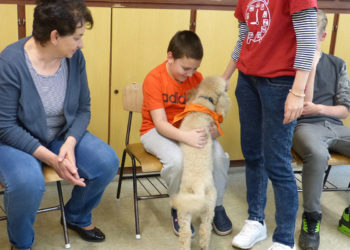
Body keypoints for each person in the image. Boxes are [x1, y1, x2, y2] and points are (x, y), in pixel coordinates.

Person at [0, 1, 119, 249]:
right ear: (55, 36)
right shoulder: (10, 62)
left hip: (61, 134)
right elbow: (6, 126)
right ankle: (20, 243)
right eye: (77, 37)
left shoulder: (74, 59)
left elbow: (84, 109)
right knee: (27, 183)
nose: (81, 44)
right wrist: (54, 159)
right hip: (16, 141)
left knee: (107, 161)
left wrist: (70, 143)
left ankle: (75, 216)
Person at [222, 1, 318, 249]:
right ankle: (256, 220)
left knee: (277, 162)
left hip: (279, 82)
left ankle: (284, 239)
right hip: (247, 80)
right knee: (253, 155)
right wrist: (225, 76)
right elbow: (244, 38)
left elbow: (308, 39)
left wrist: (297, 92)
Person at [140, 30, 232, 237]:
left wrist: (213, 130)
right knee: (177, 161)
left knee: (218, 157)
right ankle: (178, 205)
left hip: (189, 129)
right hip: (155, 131)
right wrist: (186, 138)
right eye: (185, 68)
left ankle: (216, 206)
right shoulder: (154, 78)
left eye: (195, 69)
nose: (191, 74)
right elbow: (161, 123)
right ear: (170, 57)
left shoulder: (197, 78)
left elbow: (208, 112)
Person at [292, 10, 350, 250]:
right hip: (305, 127)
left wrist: (321, 109)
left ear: (323, 36)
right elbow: (305, 107)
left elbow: (344, 109)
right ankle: (311, 220)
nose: (304, 43)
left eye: (311, 38)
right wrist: (311, 65)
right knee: (317, 155)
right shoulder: (292, 62)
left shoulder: (338, 64)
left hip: (335, 125)